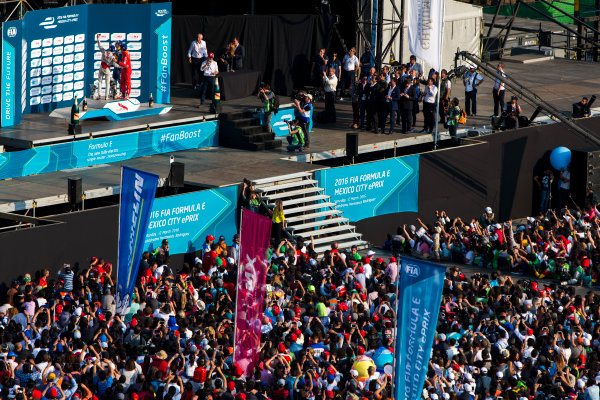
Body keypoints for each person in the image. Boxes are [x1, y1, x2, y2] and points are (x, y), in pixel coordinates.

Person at [95, 34, 115, 100]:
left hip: (101, 67)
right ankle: (106, 96)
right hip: (107, 69)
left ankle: (99, 95)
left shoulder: (104, 52)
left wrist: (98, 38)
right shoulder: (113, 56)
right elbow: (113, 64)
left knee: (100, 81)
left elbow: (99, 45)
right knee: (107, 83)